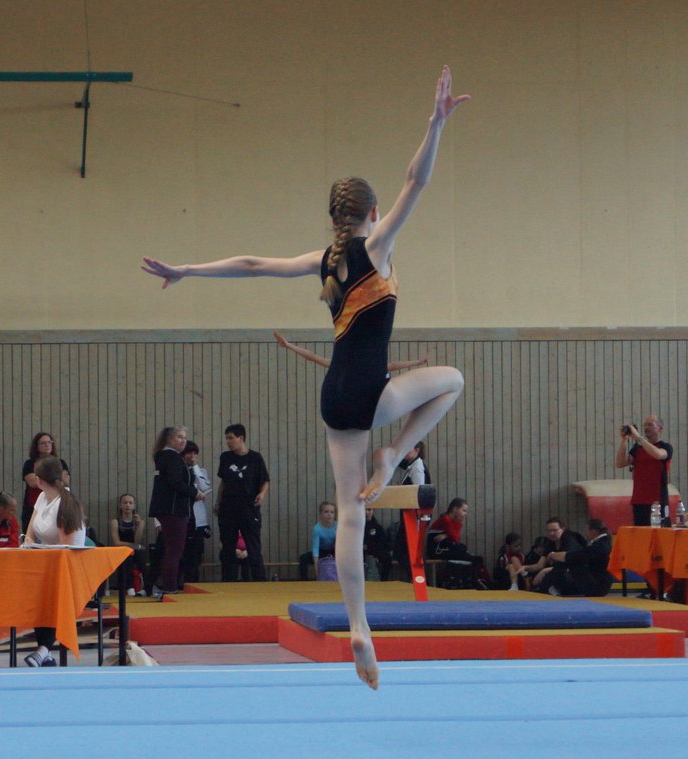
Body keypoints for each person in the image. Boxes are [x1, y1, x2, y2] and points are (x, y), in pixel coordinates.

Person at [143, 66, 469, 688]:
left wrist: (186, 270)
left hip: (334, 398)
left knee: (349, 514)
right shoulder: (377, 248)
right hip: (372, 396)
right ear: (373, 213)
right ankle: (395, 453)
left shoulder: (324, 260)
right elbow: (418, 180)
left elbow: (251, 263)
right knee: (451, 379)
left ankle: (359, 628)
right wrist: (435, 124)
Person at [22, 455, 89, 667]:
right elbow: (30, 533)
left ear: (39, 480)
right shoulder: (42, 498)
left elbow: (66, 549)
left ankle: (44, 649)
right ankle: (45, 652)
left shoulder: (66, 504)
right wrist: (28, 545)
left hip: (68, 565)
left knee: (48, 593)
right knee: (35, 591)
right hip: (48, 562)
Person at [148, 426, 204, 597]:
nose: (183, 441)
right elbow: (175, 483)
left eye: (185, 437)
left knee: (172, 549)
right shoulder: (171, 457)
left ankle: (168, 584)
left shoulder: (166, 457)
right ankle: (170, 586)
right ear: (169, 439)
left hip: (169, 509)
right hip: (173, 510)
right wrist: (194, 493)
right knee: (174, 550)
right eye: (180, 437)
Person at [215, 423, 271, 583]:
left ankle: (260, 581)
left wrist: (262, 494)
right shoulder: (225, 457)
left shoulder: (255, 458)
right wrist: (218, 502)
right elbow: (223, 482)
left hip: (248, 506)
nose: (228, 441)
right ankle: (228, 581)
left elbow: (265, 480)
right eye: (226, 438)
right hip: (229, 506)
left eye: (231, 438)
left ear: (241, 438)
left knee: (253, 545)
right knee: (228, 546)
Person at [530, 518, 614, 597]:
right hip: (596, 582)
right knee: (568, 562)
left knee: (569, 561)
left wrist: (553, 555)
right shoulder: (601, 543)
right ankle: (544, 587)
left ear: (593, 532)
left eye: (586, 530)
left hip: (598, 587)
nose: (586, 533)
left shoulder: (600, 545)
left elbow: (574, 556)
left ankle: (543, 588)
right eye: (549, 531)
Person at [274, 332, 429, 374]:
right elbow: (313, 357)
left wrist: (418, 362)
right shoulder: (344, 365)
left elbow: (393, 365)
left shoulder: (369, 366)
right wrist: (289, 345)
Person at [615, 415, 673, 526]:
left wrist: (638, 438)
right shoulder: (638, 448)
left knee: (660, 531)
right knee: (640, 532)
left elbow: (658, 454)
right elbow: (620, 463)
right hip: (639, 500)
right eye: (645, 425)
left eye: (650, 425)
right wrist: (624, 440)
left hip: (658, 500)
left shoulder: (666, 447)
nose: (646, 428)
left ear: (660, 428)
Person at [21, 432, 70, 533]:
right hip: (32, 506)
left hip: (56, 504)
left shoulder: (60, 462)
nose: (47, 445)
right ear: (37, 446)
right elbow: (33, 482)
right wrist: (56, 477)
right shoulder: (30, 464)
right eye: (43, 443)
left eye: (49, 442)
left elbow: (66, 482)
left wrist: (44, 476)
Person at [180, 440, 213, 586]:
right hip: (183, 517)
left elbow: (204, 486)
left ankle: (193, 583)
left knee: (196, 555)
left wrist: (195, 467)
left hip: (198, 520)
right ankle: (179, 583)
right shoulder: (178, 471)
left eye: (195, 453)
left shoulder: (200, 471)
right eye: (189, 453)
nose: (192, 456)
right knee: (181, 554)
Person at [109, 493, 149, 596]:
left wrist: (139, 526)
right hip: (121, 550)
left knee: (140, 555)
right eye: (125, 503)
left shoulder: (140, 522)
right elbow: (117, 542)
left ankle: (147, 587)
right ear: (120, 505)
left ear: (134, 506)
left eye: (130, 503)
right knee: (128, 556)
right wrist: (133, 546)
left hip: (135, 550)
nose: (128, 505)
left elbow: (137, 541)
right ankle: (129, 587)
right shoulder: (115, 522)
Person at [363, 506, 393, 581]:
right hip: (361, 551)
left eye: (369, 510)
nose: (366, 512)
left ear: (372, 511)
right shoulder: (357, 526)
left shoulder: (377, 527)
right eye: (364, 510)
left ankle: (384, 581)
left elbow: (383, 542)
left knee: (387, 558)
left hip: (375, 550)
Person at [311, 501, 339, 581]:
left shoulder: (337, 526)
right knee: (303, 559)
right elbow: (315, 549)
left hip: (334, 550)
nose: (329, 514)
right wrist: (316, 568)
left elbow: (341, 545)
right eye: (326, 512)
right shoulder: (317, 529)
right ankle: (304, 582)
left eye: (332, 512)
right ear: (320, 514)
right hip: (321, 551)